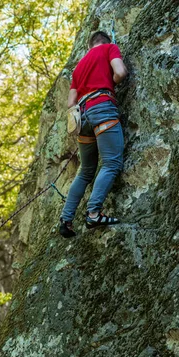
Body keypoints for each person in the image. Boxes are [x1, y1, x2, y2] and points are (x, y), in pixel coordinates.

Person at [59, 31, 129, 238]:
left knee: (85, 171)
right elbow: (121, 72)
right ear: (106, 43)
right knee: (111, 163)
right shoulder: (110, 48)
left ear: (89, 46)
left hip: (82, 118)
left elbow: (70, 103)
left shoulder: (79, 67)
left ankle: (66, 219)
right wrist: (110, 81)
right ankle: (93, 213)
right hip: (102, 108)